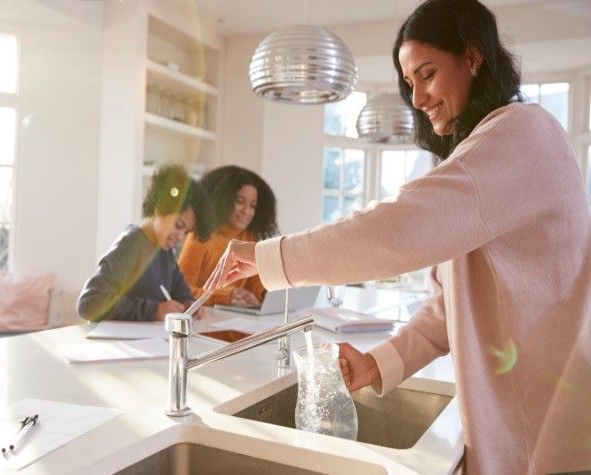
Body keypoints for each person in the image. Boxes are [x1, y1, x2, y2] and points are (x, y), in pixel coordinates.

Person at [202, 1, 591, 473]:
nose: (418, 98)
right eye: (410, 84)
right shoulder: (496, 150)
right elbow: (448, 308)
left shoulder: (522, 133)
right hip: (526, 428)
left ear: (472, 57)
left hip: (547, 434)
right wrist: (378, 365)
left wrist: (268, 257)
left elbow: (395, 230)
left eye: (427, 75)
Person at [77, 165, 214, 322]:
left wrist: (189, 304)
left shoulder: (164, 250)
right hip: (116, 343)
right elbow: (89, 304)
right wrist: (155, 310)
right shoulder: (132, 244)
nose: (180, 238)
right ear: (161, 208)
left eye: (186, 232)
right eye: (178, 225)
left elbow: (179, 288)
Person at [178, 165, 278, 307]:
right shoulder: (200, 236)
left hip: (238, 322)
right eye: (240, 202)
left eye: (253, 205)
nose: (246, 211)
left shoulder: (250, 237)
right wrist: (226, 296)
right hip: (204, 320)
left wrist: (267, 294)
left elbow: (255, 285)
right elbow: (181, 291)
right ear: (223, 200)